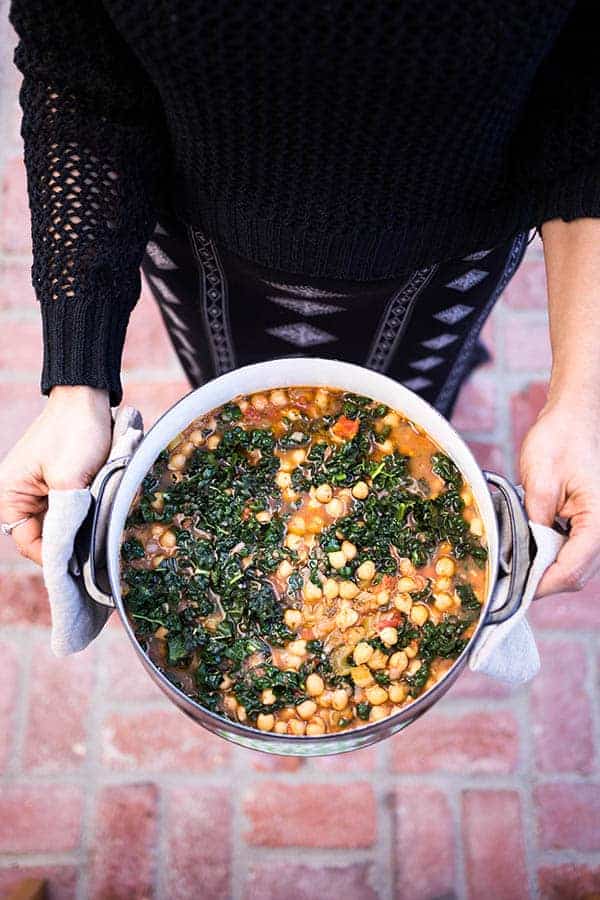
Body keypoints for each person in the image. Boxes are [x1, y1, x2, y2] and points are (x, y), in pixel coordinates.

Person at [1, 1, 599, 599]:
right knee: (222, 381)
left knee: (424, 387)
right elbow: (79, 73)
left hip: (447, 259)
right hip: (200, 246)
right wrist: (78, 387)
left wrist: (582, 398)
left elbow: (585, 99)